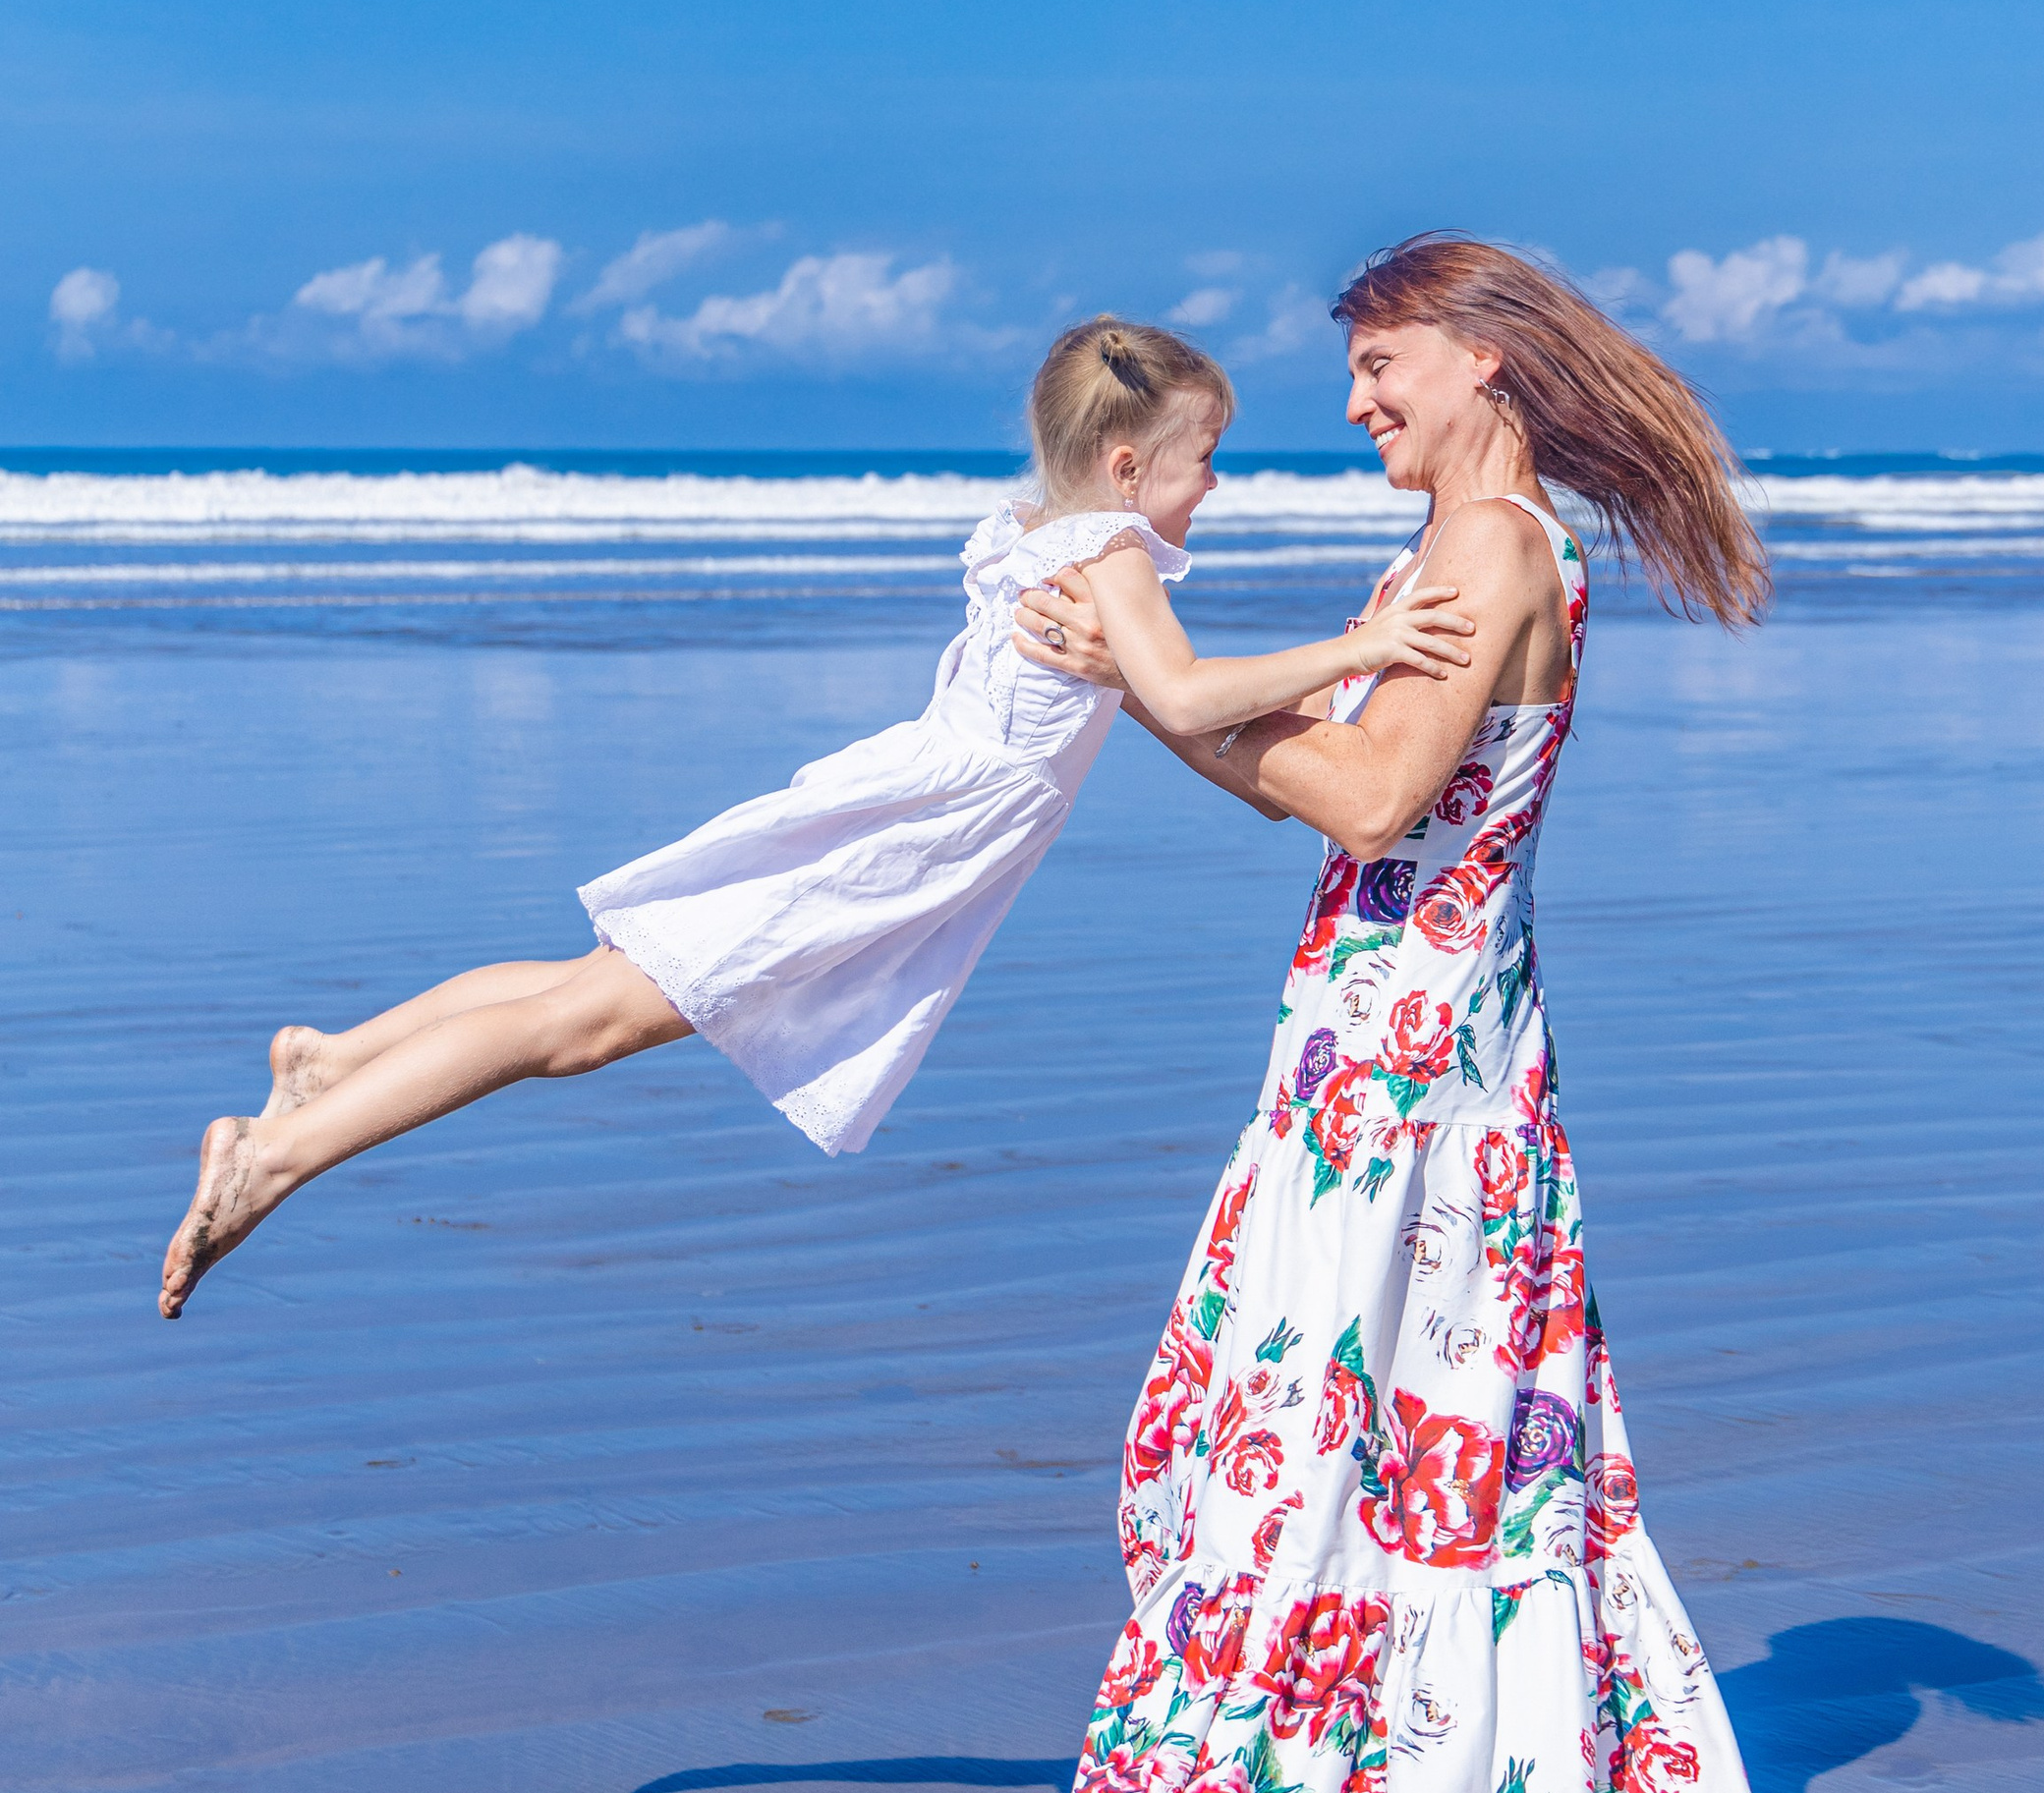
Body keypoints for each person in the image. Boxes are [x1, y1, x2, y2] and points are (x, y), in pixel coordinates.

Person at [1014, 236, 1797, 1793]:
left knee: (1362, 1504)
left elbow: (1368, 801)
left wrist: (1152, 679)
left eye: (1383, 363)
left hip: (1413, 1102)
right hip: (1374, 1064)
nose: (1357, 398)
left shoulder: (1494, 549)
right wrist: (1151, 693)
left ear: (1482, 360)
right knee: (1298, 1488)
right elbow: (1326, 784)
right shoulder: (1452, 549)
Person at [157, 317, 1473, 1318]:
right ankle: (278, 1156)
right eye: (1206, 460)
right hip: (901, 840)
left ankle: (330, 1061)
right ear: (1128, 466)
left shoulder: (1034, 523)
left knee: (592, 978)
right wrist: (1357, 646)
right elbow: (1182, 693)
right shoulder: (1116, 551)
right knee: (586, 1023)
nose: (1216, 486)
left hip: (897, 799)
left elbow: (1146, 686)